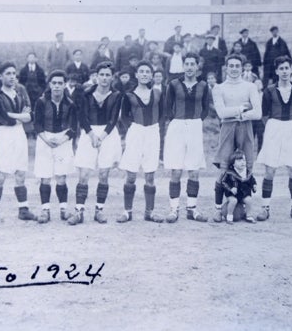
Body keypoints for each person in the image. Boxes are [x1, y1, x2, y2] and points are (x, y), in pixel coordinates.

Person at [256, 56, 292, 223]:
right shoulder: (269, 91)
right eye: (281, 68)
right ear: (276, 71)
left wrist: (285, 125)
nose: (284, 71)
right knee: (270, 170)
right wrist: (273, 128)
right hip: (274, 127)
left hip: (290, 128)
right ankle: (265, 208)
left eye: (287, 68)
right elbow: (264, 114)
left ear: (291, 70)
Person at [71, 62, 123, 225]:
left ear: (112, 77)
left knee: (104, 174)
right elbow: (82, 117)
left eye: (108, 75)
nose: (104, 78)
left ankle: (99, 211)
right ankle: (79, 212)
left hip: (108, 134)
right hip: (89, 133)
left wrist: (102, 136)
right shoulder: (86, 94)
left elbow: (114, 119)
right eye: (102, 74)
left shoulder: (116, 95)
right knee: (84, 173)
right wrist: (92, 135)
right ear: (96, 76)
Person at [211, 54, 261, 222]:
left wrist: (240, 115)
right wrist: (242, 108)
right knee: (224, 169)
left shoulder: (250, 87)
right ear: (226, 67)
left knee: (246, 166)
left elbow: (258, 113)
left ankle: (246, 209)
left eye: (237, 66)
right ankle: (218, 209)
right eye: (230, 66)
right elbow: (221, 113)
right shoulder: (219, 88)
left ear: (242, 68)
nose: (234, 69)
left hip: (245, 128)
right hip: (227, 129)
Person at [0, 62, 36, 226]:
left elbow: (30, 116)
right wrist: (20, 115)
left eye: (14, 73)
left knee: (21, 172)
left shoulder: (20, 93)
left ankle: (23, 210)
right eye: (8, 73)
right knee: (1, 174)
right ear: (1, 76)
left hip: (19, 133)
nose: (12, 76)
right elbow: (6, 118)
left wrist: (19, 116)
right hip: (5, 134)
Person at [163, 53, 209, 223]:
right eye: (187, 64)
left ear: (197, 66)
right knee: (176, 170)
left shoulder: (204, 85)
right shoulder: (174, 84)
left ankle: (192, 209)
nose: (189, 67)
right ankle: (174, 209)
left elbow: (205, 109)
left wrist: (195, 121)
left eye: (193, 64)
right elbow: (167, 108)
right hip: (178, 126)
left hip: (195, 127)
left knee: (194, 170)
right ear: (183, 66)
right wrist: (178, 121)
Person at [117, 61, 165, 223]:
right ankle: (127, 211)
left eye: (147, 72)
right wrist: (132, 128)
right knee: (131, 175)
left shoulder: (157, 93)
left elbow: (163, 115)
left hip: (153, 132)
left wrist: (156, 129)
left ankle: (149, 212)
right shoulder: (129, 95)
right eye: (141, 71)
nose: (144, 74)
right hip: (136, 132)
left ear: (151, 75)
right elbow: (123, 116)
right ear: (136, 75)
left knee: (150, 175)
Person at [33, 70, 78, 224]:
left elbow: (73, 128)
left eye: (60, 83)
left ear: (65, 85)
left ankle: (64, 209)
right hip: (44, 138)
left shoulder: (70, 103)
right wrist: (46, 140)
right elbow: (37, 124)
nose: (57, 86)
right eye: (54, 83)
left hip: (63, 140)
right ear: (50, 84)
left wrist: (61, 140)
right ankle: (45, 210)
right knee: (45, 177)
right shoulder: (41, 101)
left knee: (61, 176)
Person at [220, 149, 258, 224]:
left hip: (243, 193)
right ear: (233, 163)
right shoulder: (229, 173)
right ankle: (229, 216)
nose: (242, 162)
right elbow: (223, 182)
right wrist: (230, 189)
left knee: (249, 200)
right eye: (239, 161)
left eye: (244, 160)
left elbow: (252, 180)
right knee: (233, 201)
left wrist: (254, 185)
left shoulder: (247, 173)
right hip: (232, 194)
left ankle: (248, 215)